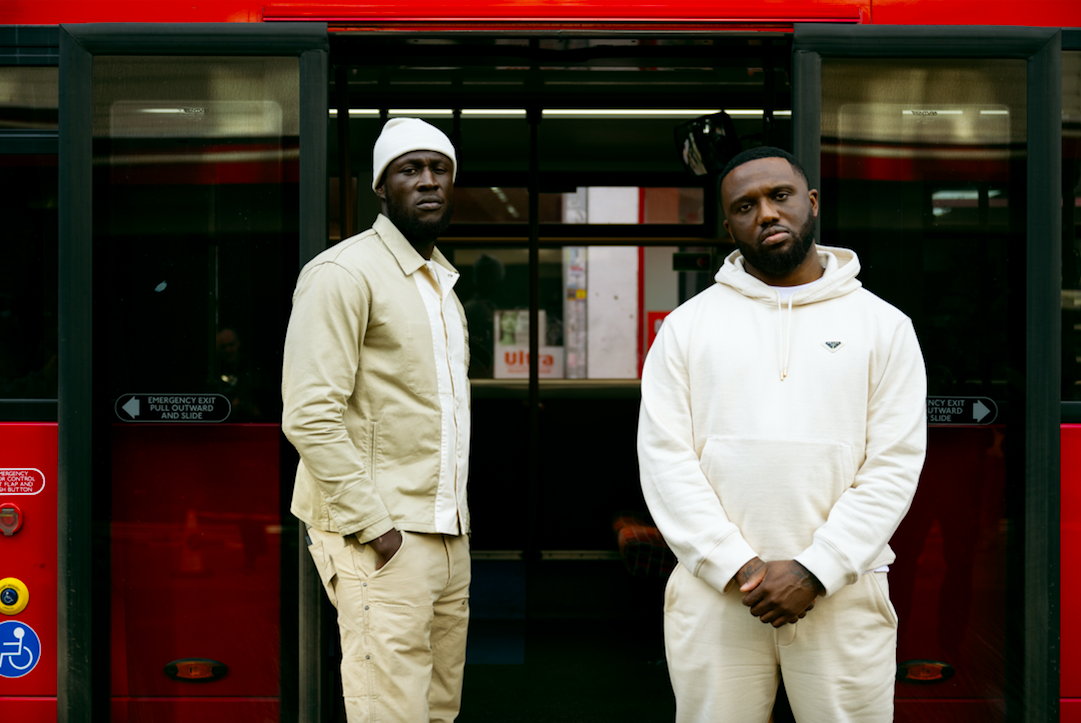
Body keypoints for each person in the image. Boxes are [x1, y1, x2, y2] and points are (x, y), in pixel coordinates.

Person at [637, 146, 926, 723]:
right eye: (746, 206)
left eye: (780, 196)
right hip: (717, 592)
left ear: (811, 203)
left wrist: (817, 568)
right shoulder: (687, 327)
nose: (766, 213)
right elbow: (665, 461)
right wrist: (739, 568)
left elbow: (893, 465)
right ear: (729, 226)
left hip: (843, 587)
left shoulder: (885, 327)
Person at [282, 117, 471, 723]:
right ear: (380, 188)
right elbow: (309, 415)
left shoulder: (441, 284)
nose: (427, 182)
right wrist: (376, 529)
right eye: (408, 170)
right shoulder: (343, 273)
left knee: (438, 710)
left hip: (446, 533)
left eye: (438, 169)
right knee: (388, 713)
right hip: (383, 536)